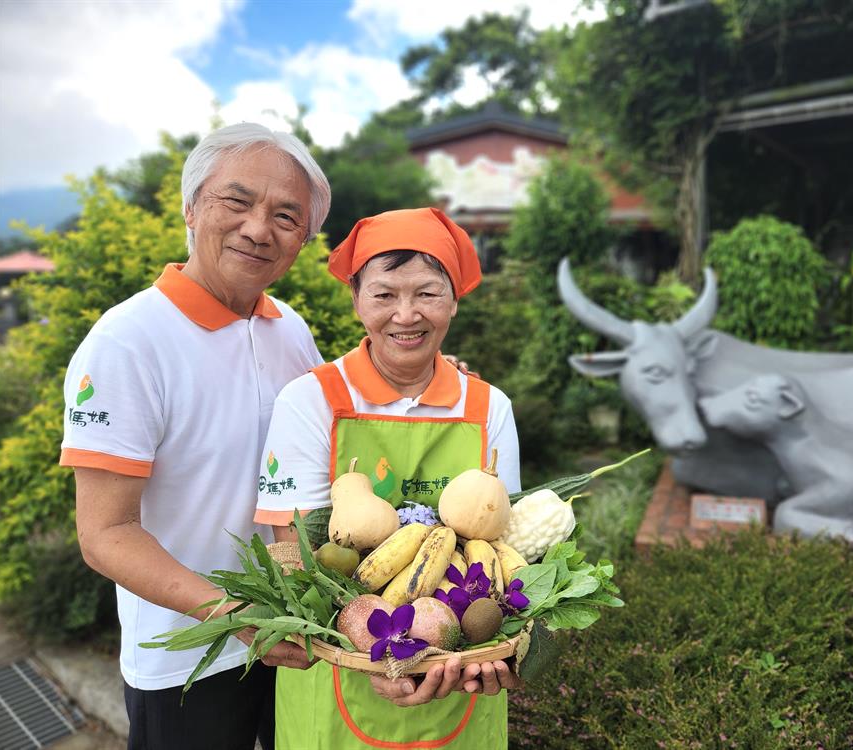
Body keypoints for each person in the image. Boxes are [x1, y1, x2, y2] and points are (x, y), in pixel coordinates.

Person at [61, 122, 332, 750]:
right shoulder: (126, 342)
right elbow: (105, 535)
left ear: (303, 240)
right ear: (190, 207)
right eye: (236, 201)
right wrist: (238, 617)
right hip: (188, 657)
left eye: (287, 216)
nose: (260, 228)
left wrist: (417, 380)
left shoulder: (288, 327)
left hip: (298, 635)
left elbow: (334, 435)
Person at [254, 207, 522, 749]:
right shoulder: (312, 401)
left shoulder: (487, 406)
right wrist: (372, 655)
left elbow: (503, 544)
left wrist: (504, 651)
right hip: (334, 684)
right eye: (384, 295)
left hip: (461, 683)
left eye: (427, 293)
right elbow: (302, 560)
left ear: (453, 299)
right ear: (356, 299)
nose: (406, 315)